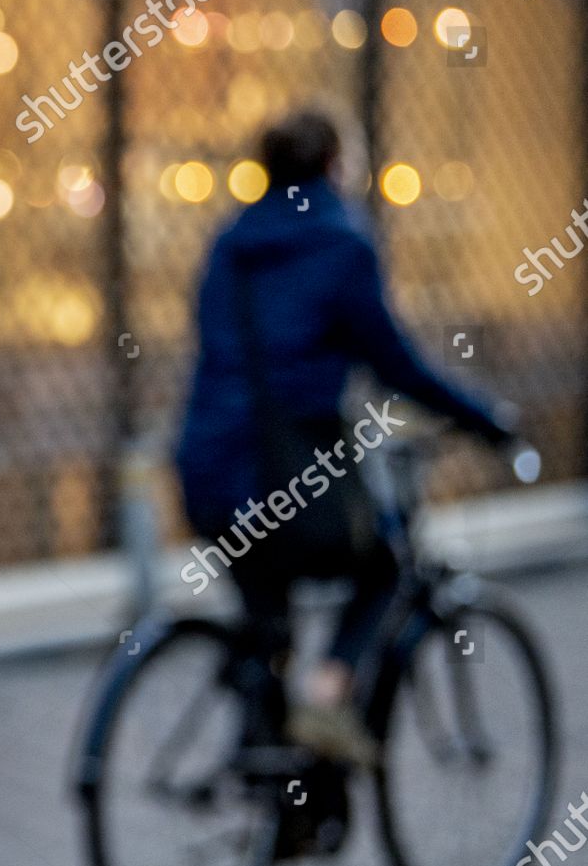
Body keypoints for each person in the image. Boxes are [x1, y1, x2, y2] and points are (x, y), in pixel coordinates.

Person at [174, 107, 515, 767]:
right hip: (290, 473)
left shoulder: (230, 242)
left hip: (210, 468)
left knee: (266, 613)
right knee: (384, 566)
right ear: (334, 166)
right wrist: (483, 419)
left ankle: (270, 771)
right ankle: (327, 698)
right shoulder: (341, 242)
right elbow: (395, 364)